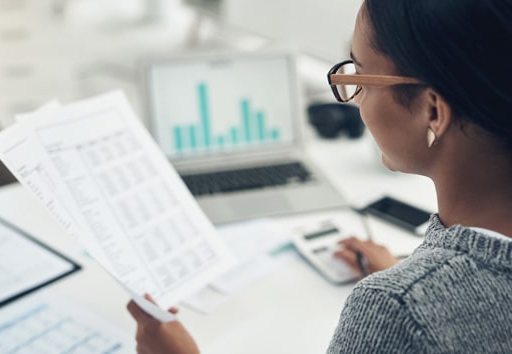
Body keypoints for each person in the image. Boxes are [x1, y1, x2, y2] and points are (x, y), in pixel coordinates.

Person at [126, 0, 512, 352]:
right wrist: (425, 286)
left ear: (432, 112)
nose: (355, 96)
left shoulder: (396, 308)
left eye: (360, 75)